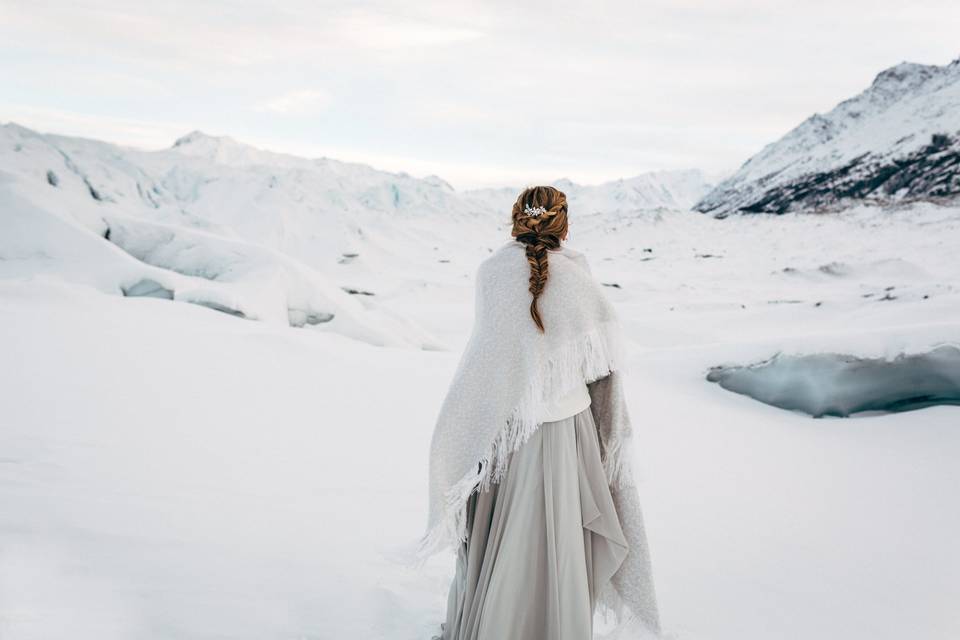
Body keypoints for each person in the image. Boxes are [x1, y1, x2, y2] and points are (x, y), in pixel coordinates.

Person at [421, 186, 660, 640]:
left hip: (505, 435)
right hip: (568, 435)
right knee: (561, 545)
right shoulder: (580, 281)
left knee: (503, 539)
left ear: (517, 220)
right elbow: (603, 367)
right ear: (563, 225)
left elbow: (489, 359)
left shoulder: (491, 274)